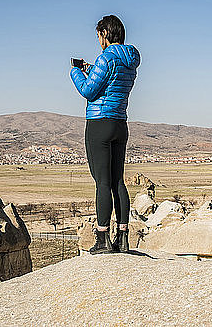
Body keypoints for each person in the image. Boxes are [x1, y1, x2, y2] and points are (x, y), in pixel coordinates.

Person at [70, 15, 140, 254]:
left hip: (100, 123)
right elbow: (112, 82)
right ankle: (122, 236)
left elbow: (90, 91)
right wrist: (93, 70)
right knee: (118, 180)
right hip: (121, 122)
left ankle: (102, 239)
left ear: (105, 34)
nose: (98, 40)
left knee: (102, 182)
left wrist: (76, 73)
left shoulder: (106, 58)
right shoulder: (130, 60)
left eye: (99, 35)